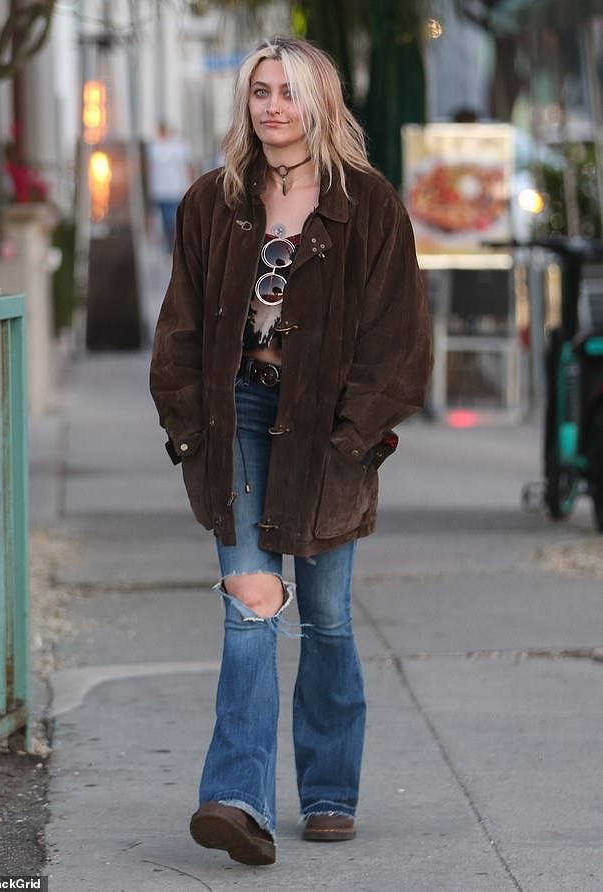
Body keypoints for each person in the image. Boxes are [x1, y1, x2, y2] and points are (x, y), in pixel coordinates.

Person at [149, 36, 432, 867]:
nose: (272, 105)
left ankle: (331, 790)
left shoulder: (370, 206)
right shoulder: (212, 203)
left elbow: (401, 342)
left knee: (330, 619)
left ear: (321, 103)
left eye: (289, 91)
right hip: (234, 416)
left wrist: (357, 439)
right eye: (261, 91)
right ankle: (237, 799)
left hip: (328, 428)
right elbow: (180, 330)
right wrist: (189, 431)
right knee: (251, 603)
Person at [147, 123, 193, 252]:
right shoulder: (154, 147)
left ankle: (174, 249)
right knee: (164, 223)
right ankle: (169, 248)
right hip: (159, 191)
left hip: (175, 190)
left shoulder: (178, 147)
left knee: (172, 221)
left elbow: (186, 167)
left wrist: (188, 185)